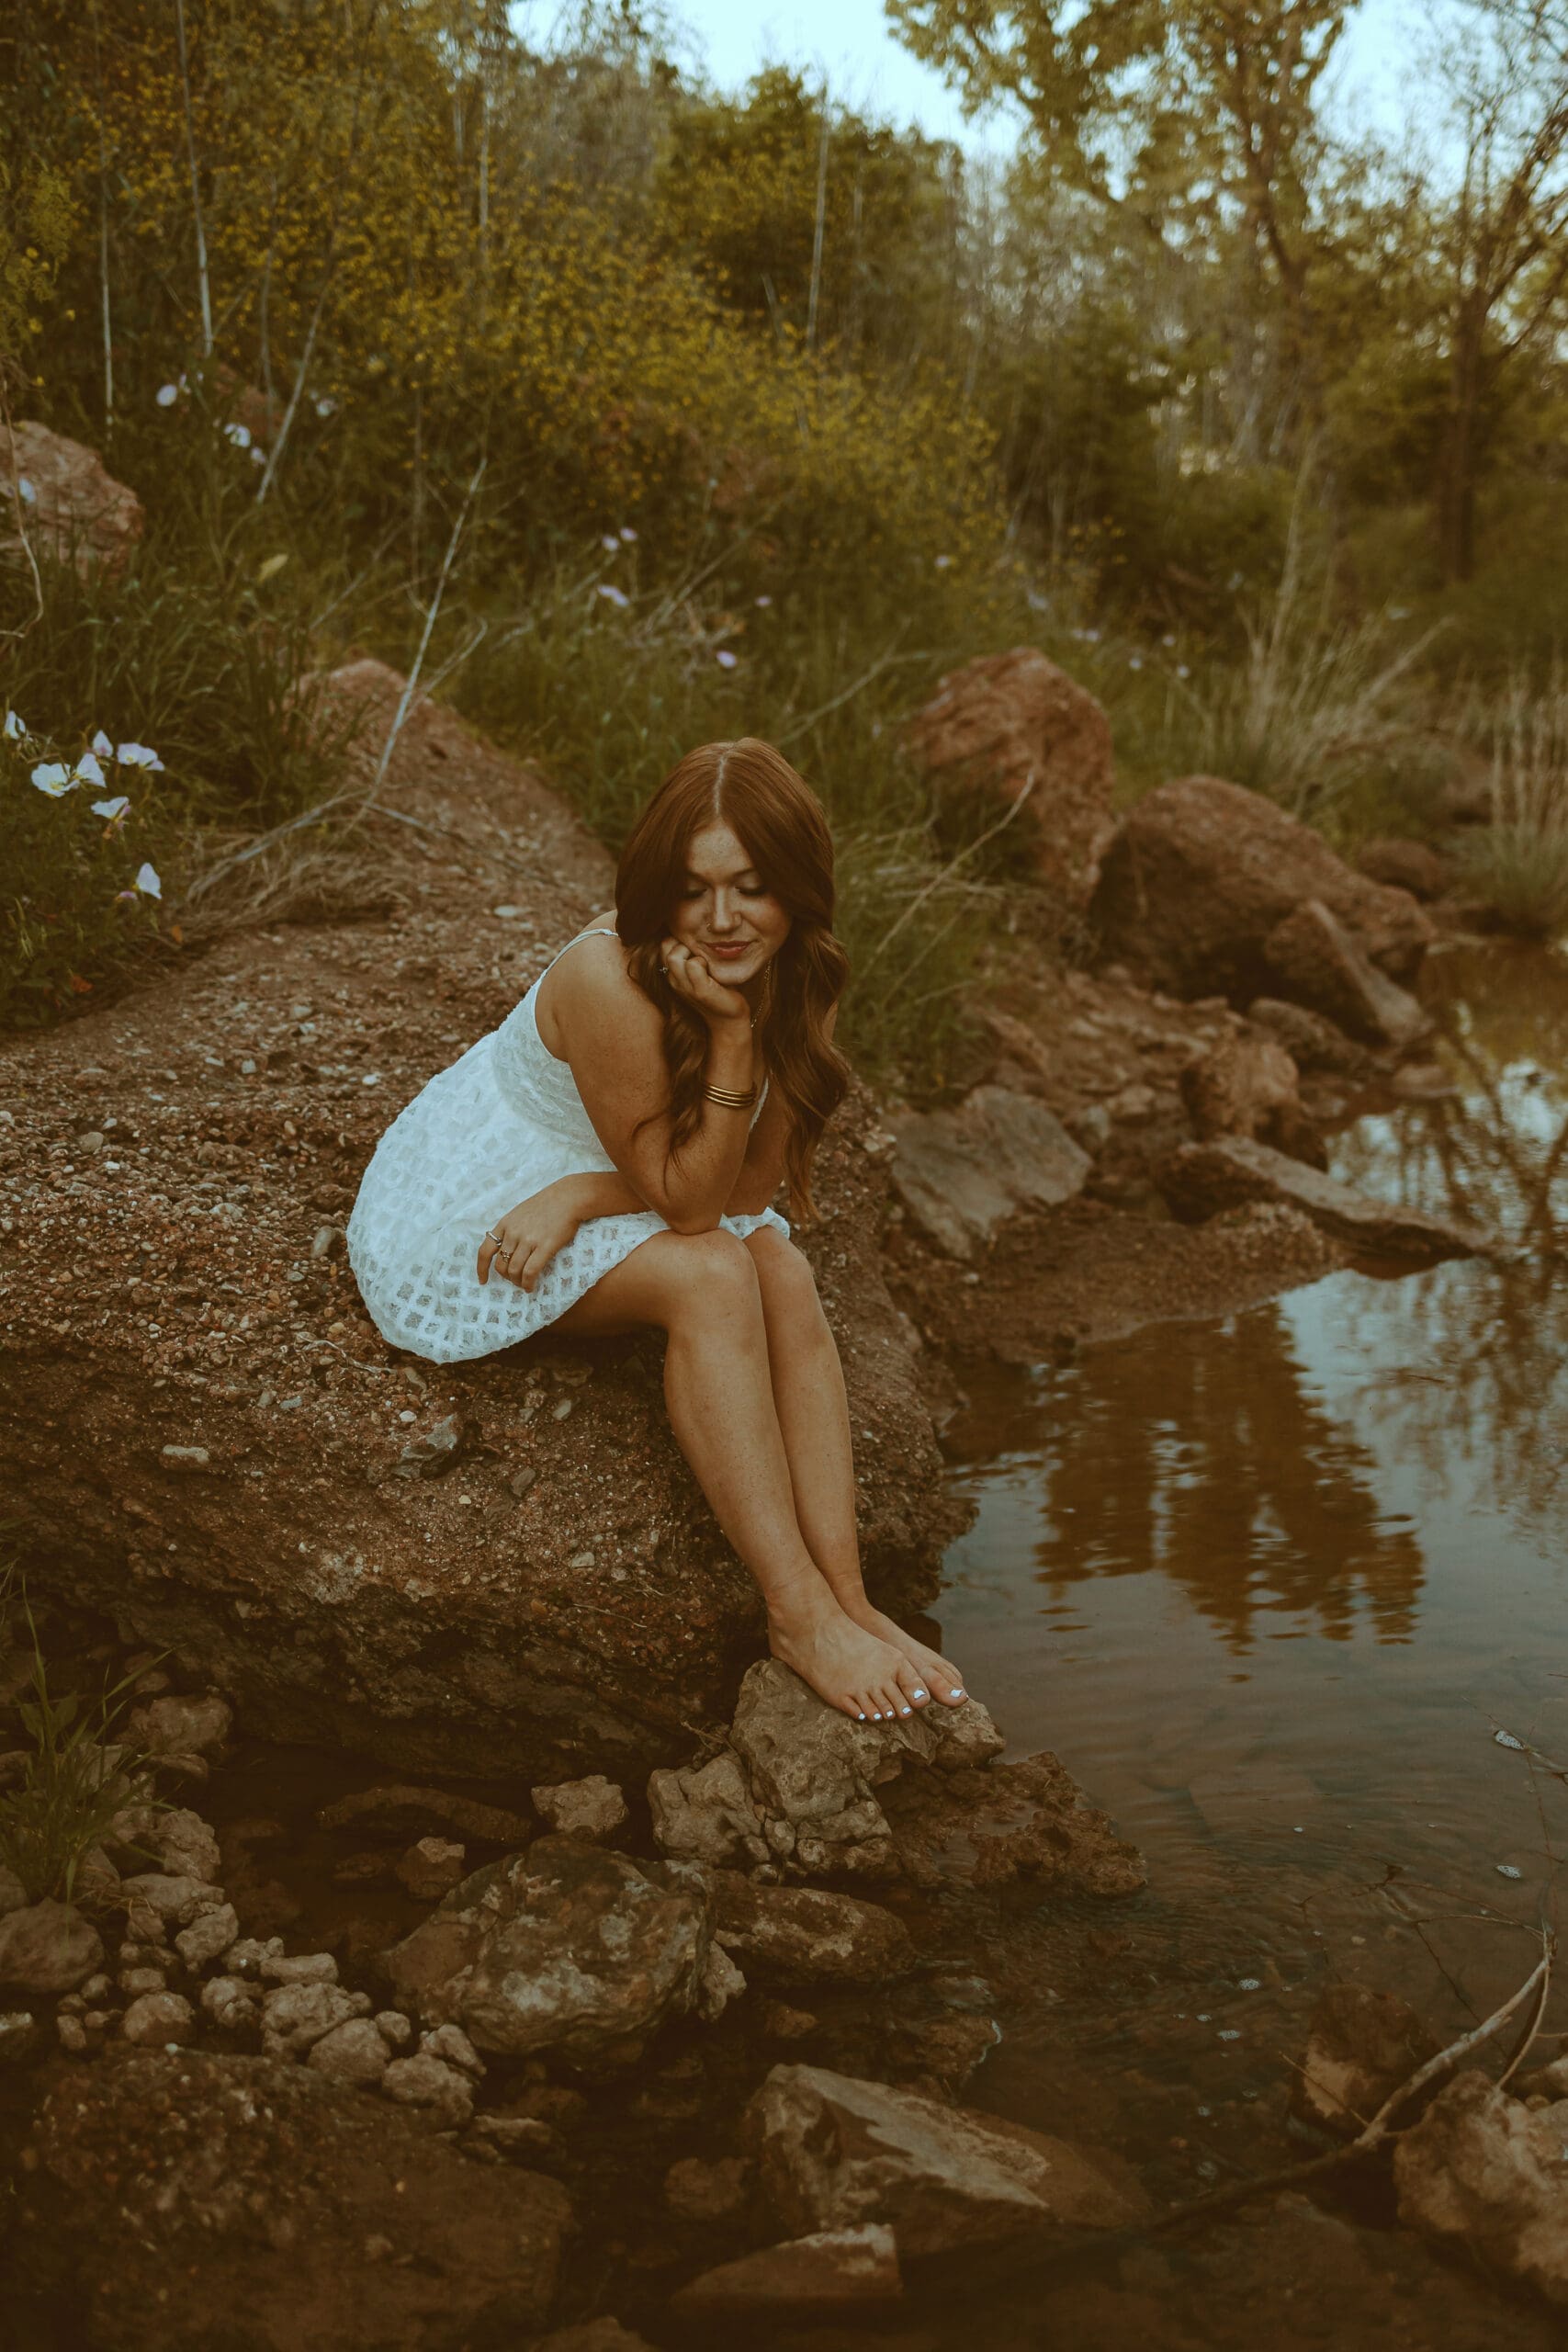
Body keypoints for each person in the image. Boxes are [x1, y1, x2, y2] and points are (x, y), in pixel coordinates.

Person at [348, 737, 967, 1724]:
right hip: (473, 1205)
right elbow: (690, 1213)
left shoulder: (797, 968)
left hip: (607, 1182)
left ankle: (850, 1598)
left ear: (797, 887)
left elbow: (747, 1188)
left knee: (785, 1271)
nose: (723, 920)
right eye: (694, 890)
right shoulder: (609, 979)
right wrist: (728, 1038)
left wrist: (592, 1195)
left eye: (753, 886)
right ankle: (796, 1612)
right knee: (714, 1275)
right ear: (658, 894)